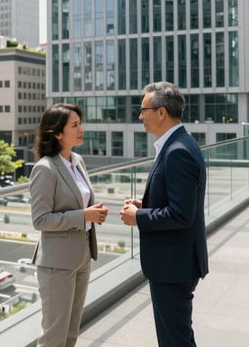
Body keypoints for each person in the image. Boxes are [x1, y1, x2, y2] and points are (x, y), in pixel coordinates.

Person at [119, 82, 209, 347]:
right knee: (178, 337)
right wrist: (144, 204)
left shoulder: (178, 152)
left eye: (144, 109)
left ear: (161, 113)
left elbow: (181, 214)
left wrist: (139, 217)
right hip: (175, 263)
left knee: (175, 341)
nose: (140, 115)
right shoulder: (178, 145)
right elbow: (176, 202)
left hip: (173, 266)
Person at [29, 103, 109, 347]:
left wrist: (91, 213)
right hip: (56, 264)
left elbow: (80, 203)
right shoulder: (45, 169)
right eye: (74, 125)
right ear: (58, 133)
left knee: (71, 334)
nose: (81, 129)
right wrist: (83, 216)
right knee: (54, 337)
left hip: (81, 257)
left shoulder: (77, 161)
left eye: (80, 123)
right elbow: (40, 220)